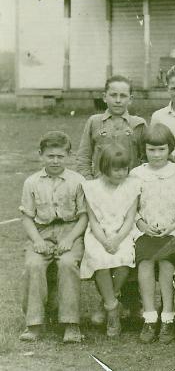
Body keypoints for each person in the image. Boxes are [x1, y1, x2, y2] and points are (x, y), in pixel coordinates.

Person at [19, 131, 87, 343]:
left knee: (67, 263)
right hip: (42, 232)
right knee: (33, 264)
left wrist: (70, 239)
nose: (55, 161)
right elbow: (27, 218)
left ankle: (70, 324)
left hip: (71, 230)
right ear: (41, 155)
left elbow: (84, 217)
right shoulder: (31, 182)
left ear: (69, 156)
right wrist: (37, 241)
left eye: (60, 156)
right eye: (50, 156)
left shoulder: (78, 181)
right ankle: (35, 323)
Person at [80, 145, 140, 337]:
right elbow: (93, 220)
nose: (121, 173)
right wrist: (105, 241)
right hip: (99, 234)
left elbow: (130, 219)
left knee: (124, 258)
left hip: (123, 232)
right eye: (116, 169)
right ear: (105, 167)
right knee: (100, 259)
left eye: (125, 169)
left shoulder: (132, 186)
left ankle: (107, 302)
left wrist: (117, 239)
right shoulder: (91, 188)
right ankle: (113, 307)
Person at [131, 124, 175, 344]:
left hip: (173, 231)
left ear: (169, 148)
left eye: (161, 149)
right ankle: (150, 317)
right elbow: (131, 207)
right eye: (151, 149)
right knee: (145, 264)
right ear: (144, 149)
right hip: (146, 231)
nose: (157, 154)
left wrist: (174, 225)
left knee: (166, 265)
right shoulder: (137, 173)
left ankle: (168, 317)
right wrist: (142, 224)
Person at [76, 75, 146, 179]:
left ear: (130, 99)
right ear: (104, 97)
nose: (118, 100)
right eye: (113, 95)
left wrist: (139, 182)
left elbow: (147, 158)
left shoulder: (139, 124)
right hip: (100, 185)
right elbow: (83, 157)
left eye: (123, 96)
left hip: (130, 186)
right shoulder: (94, 122)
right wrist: (89, 180)